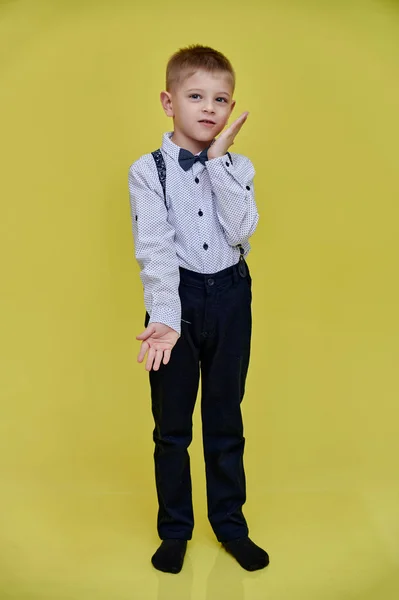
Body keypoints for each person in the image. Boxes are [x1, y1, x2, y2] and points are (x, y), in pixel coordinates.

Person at [128, 44, 269, 574]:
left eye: (221, 99)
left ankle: (231, 526)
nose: (210, 108)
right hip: (177, 301)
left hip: (232, 297)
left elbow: (241, 230)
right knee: (171, 428)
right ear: (169, 101)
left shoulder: (239, 166)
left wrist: (216, 165)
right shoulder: (149, 171)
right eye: (196, 96)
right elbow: (154, 247)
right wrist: (164, 316)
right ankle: (175, 531)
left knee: (225, 419)